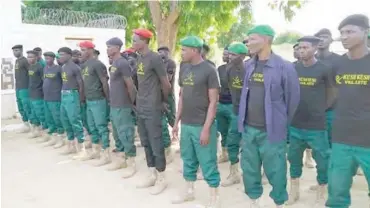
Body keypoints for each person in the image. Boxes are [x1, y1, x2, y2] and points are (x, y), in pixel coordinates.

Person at [238, 25, 300, 207]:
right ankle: (254, 201)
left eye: (252, 39)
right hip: (249, 130)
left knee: (277, 171)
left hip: (272, 132)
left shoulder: (284, 67)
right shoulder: (248, 65)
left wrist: (279, 123)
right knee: (249, 170)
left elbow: (292, 101)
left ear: (266, 40)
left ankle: (279, 202)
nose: (248, 43)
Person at [326, 14, 370, 208]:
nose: (344, 36)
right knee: (337, 194)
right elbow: (334, 93)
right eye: (342, 33)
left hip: (368, 140)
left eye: (350, 32)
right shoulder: (337, 64)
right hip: (341, 140)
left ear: (365, 32)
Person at [171, 35, 220, 207]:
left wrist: (206, 128)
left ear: (194, 50)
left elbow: (213, 101)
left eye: (184, 49)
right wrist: (177, 122)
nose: (181, 52)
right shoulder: (184, 69)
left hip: (202, 125)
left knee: (208, 162)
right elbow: (182, 97)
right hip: (187, 124)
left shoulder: (209, 70)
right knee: (188, 159)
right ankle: (189, 192)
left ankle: (214, 198)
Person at [286, 36, 334, 205]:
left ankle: (321, 191)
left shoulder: (324, 69)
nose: (301, 51)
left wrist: (321, 109)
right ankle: (294, 192)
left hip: (317, 125)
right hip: (295, 124)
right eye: (299, 48)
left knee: (322, 160)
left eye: (305, 47)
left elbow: (333, 93)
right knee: (293, 158)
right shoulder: (293, 68)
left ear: (315, 48)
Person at [132, 28, 171, 195]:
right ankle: (151, 174)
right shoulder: (139, 58)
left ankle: (162, 177)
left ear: (144, 41)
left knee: (156, 142)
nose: (133, 43)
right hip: (141, 107)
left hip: (153, 107)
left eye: (135, 40)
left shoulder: (154, 58)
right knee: (145, 141)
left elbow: (166, 84)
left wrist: (162, 101)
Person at [105, 37, 137, 178]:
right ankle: (121, 159)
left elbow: (130, 86)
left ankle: (131, 163)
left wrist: (132, 103)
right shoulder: (114, 63)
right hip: (114, 104)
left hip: (123, 105)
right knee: (117, 133)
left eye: (109, 46)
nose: (107, 49)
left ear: (117, 48)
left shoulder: (123, 63)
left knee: (126, 133)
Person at [78, 41, 110, 165]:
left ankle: (106, 153)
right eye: (81, 50)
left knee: (101, 126)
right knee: (91, 126)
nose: (81, 52)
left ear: (91, 50)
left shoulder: (98, 64)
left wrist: (108, 100)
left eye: (84, 50)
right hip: (89, 100)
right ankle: (96, 151)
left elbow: (104, 83)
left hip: (98, 100)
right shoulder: (84, 65)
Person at [221, 42, 248, 187]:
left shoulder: (250, 69)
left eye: (233, 54)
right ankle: (234, 173)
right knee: (232, 142)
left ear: (243, 56)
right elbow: (225, 86)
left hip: (250, 114)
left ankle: (256, 174)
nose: (230, 57)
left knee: (250, 145)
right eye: (229, 54)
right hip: (236, 111)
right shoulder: (228, 69)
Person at [58, 47, 86, 156]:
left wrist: (80, 98)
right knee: (65, 119)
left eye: (63, 54)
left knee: (75, 120)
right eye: (59, 54)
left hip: (73, 95)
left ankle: (82, 147)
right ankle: (71, 145)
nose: (61, 57)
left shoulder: (75, 68)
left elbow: (81, 84)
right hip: (64, 95)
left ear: (69, 55)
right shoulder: (63, 67)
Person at [41, 52, 65, 148]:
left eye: (49, 58)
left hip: (55, 97)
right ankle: (53, 138)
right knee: (49, 118)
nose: (47, 60)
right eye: (45, 58)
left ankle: (61, 139)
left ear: (53, 59)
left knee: (57, 118)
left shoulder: (59, 69)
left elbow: (64, 82)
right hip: (46, 97)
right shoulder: (45, 68)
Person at [158, 46, 177, 164]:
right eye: (158, 52)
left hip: (168, 95)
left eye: (163, 52)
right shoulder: (158, 63)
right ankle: (166, 146)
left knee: (171, 117)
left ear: (168, 52)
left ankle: (175, 138)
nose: (160, 54)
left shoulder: (170, 63)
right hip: (158, 95)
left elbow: (168, 79)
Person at [216, 46, 233, 163]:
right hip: (221, 103)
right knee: (223, 130)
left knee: (233, 132)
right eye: (223, 54)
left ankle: (234, 157)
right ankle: (224, 154)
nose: (224, 56)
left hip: (233, 105)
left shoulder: (240, 69)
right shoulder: (220, 69)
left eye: (226, 54)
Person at [27, 50, 46, 139]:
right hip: (31, 93)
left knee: (40, 113)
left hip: (38, 94)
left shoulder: (40, 67)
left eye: (31, 57)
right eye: (28, 57)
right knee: (33, 113)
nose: (29, 59)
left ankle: (46, 133)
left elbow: (44, 81)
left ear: (36, 57)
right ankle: (37, 131)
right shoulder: (30, 67)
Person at [12, 44, 31, 133]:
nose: (15, 52)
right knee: (20, 105)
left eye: (17, 50)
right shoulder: (17, 61)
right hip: (18, 87)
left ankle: (33, 124)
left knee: (26, 105)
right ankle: (25, 124)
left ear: (21, 50)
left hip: (25, 87)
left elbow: (30, 73)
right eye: (14, 51)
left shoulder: (25, 61)